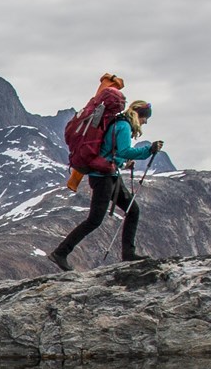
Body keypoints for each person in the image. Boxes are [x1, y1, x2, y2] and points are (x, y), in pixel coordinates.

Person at [50, 100, 162, 271]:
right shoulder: (124, 126)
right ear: (138, 115)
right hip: (103, 177)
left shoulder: (119, 124)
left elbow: (112, 152)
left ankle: (128, 253)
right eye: (145, 118)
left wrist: (123, 164)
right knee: (95, 220)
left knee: (132, 210)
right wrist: (148, 150)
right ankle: (60, 253)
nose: (145, 122)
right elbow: (124, 151)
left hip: (107, 175)